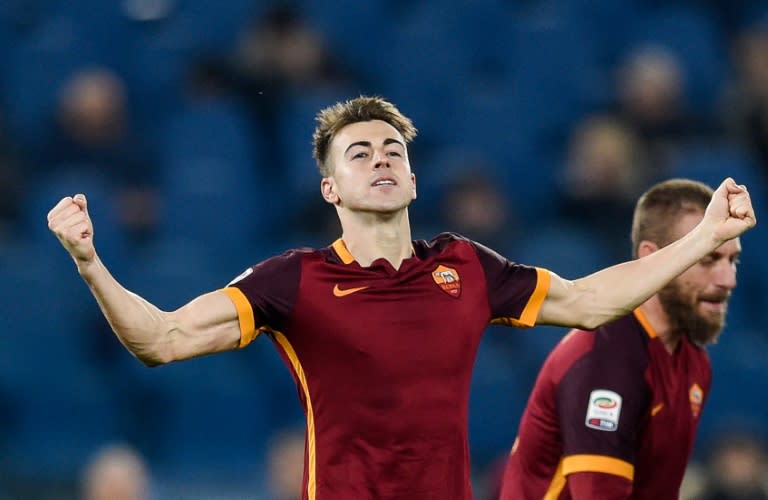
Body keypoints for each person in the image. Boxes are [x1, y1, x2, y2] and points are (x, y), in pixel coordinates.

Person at [47, 96, 755, 499]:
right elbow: (161, 340)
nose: (381, 158)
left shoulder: (467, 268)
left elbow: (591, 302)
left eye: (393, 150)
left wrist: (703, 239)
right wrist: (89, 262)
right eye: (359, 153)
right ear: (331, 189)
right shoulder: (291, 282)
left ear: (414, 181)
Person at [499, 178, 745, 499]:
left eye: (733, 261)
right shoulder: (605, 362)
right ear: (650, 257)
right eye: (709, 259)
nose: (727, 280)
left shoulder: (693, 362)